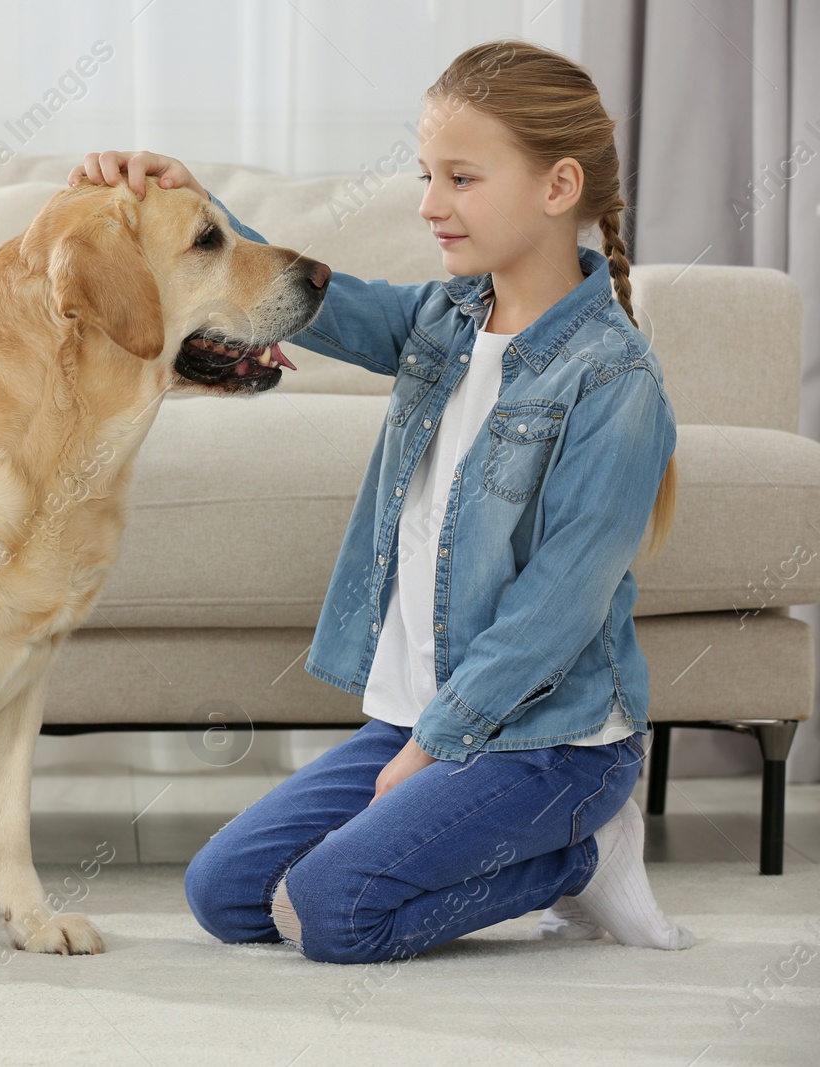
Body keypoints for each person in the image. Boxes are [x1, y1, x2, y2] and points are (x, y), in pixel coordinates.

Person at [68, 39, 695, 964]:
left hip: (550, 745)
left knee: (334, 910)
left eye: (462, 178)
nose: (429, 204)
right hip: (418, 723)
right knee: (226, 893)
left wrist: (436, 749)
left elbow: (553, 615)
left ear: (559, 187)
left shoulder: (613, 382)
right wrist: (192, 199)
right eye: (426, 174)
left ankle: (579, 855)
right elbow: (323, 301)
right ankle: (508, 834)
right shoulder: (445, 318)